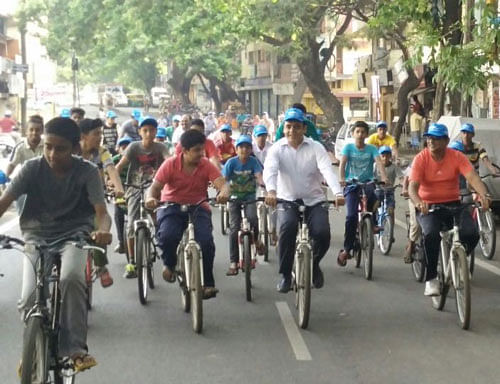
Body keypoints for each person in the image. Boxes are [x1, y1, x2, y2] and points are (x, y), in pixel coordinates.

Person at [0, 117, 112, 372]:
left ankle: (75, 349)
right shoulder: (30, 168)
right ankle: (33, 347)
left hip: (74, 234)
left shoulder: (87, 172)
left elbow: (101, 213)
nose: (52, 153)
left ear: (75, 148)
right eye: (48, 146)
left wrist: (103, 232)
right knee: (28, 297)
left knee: (71, 278)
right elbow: (4, 201)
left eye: (59, 148)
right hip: (36, 235)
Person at [264, 107, 344, 292]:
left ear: (304, 128)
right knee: (287, 229)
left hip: (314, 199)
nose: (292, 131)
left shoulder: (315, 147)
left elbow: (326, 170)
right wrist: (271, 191)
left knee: (322, 233)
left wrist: (338, 193)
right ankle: (285, 275)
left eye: (297, 127)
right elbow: (270, 171)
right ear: (284, 129)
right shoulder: (277, 148)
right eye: (289, 126)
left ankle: (314, 264)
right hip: (287, 200)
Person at [145, 129, 230, 299]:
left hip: (198, 207)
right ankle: (169, 264)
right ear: (184, 151)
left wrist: (224, 192)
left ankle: (207, 284)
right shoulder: (170, 164)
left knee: (206, 242)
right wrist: (150, 199)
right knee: (168, 236)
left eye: (202, 149)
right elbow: (154, 188)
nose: (201, 153)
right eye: (196, 150)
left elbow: (222, 183)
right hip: (171, 206)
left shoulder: (206, 164)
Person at [409, 123, 488, 296]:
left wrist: (483, 195)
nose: (431, 141)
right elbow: (412, 188)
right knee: (430, 235)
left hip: (453, 204)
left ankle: (459, 259)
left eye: (436, 138)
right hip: (429, 207)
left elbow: (472, 177)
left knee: (472, 233)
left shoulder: (457, 156)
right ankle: (431, 279)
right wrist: (418, 202)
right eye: (429, 138)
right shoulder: (421, 159)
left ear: (445, 141)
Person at [116, 117, 169, 278]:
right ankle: (132, 262)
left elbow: (169, 160)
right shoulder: (133, 147)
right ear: (140, 132)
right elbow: (119, 167)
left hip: (153, 187)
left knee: (157, 217)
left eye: (152, 130)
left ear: (155, 132)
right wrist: (114, 184)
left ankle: (159, 240)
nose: (148, 134)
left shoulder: (161, 147)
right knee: (131, 223)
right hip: (133, 187)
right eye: (145, 130)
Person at [78, 118, 125, 287]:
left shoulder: (102, 151)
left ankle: (101, 266)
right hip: (72, 201)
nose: (100, 137)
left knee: (100, 228)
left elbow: (111, 169)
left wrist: (119, 189)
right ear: (83, 136)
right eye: (96, 134)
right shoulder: (71, 152)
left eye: (101, 133)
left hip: (95, 201)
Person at [337, 121, 389, 266]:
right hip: (351, 185)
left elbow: (379, 163)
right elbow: (342, 164)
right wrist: (342, 179)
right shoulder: (348, 148)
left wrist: (384, 177)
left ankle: (371, 223)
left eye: (362, 132)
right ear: (353, 134)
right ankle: (347, 249)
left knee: (377, 195)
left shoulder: (372, 149)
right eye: (357, 131)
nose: (360, 134)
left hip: (367, 183)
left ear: (366, 134)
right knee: (351, 216)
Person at [222, 135, 265, 275]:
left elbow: (259, 175)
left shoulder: (254, 162)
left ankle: (257, 241)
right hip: (234, 199)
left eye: (247, 147)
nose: (244, 150)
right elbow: (224, 180)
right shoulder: (231, 163)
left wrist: (264, 185)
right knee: (234, 229)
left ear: (250, 149)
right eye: (241, 147)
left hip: (250, 198)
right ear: (236, 149)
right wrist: (223, 192)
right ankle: (233, 262)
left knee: (253, 219)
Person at [6, 115, 44, 213]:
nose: (34, 133)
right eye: (31, 130)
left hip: (45, 187)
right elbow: (11, 165)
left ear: (42, 131)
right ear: (26, 131)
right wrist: (6, 179)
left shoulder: (47, 146)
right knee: (23, 213)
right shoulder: (20, 148)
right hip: (26, 187)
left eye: (37, 130)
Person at [112, 136, 132, 255]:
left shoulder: (136, 159)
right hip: (120, 191)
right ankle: (121, 242)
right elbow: (108, 175)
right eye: (122, 147)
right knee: (118, 212)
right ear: (118, 149)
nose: (125, 149)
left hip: (135, 189)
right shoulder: (114, 160)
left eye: (127, 147)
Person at [374, 146, 403, 222]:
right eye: (383, 156)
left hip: (390, 191)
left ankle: (391, 229)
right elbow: (371, 176)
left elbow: (401, 177)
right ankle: (372, 223)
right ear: (379, 156)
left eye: (387, 155)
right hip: (378, 190)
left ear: (390, 156)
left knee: (391, 210)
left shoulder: (394, 167)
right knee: (374, 205)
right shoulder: (375, 166)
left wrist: (402, 183)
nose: (385, 158)